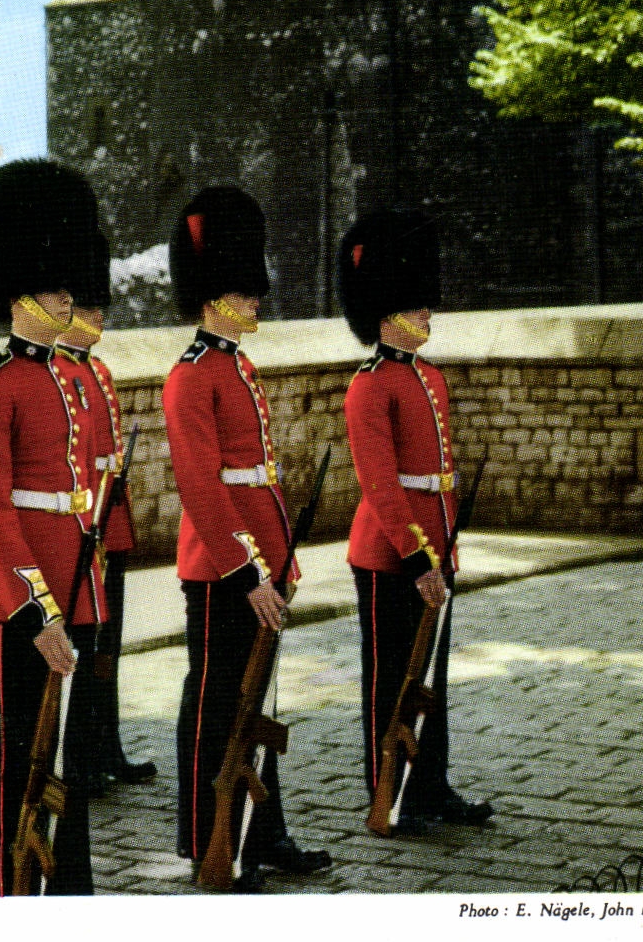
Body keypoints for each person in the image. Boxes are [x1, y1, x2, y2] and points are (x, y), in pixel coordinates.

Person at [165, 186, 330, 889]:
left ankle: (263, 834)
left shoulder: (238, 366)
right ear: (212, 297)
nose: (256, 298)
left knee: (254, 705)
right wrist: (248, 570)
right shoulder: (191, 375)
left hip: (261, 564)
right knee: (216, 707)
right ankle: (212, 837)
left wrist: (279, 560)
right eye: (243, 289)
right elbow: (205, 488)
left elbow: (258, 476)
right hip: (221, 570)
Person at [0, 159, 106, 896]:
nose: (66, 294)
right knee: (20, 753)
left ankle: (66, 886)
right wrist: (37, 609)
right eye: (53, 284)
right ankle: (11, 890)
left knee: (69, 761)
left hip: (75, 589)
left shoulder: (69, 377)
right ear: (18, 289)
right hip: (22, 604)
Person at [338, 208, 492, 834]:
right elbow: (380, 485)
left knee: (431, 679)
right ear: (386, 310)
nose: (428, 312)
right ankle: (388, 790)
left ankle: (430, 784)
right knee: (391, 679)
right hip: (389, 554)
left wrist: (443, 553)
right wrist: (419, 556)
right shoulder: (369, 385)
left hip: (436, 547)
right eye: (417, 304)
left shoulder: (429, 378)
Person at [51, 230, 155, 793]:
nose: (97, 315)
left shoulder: (98, 370)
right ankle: (79, 754)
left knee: (107, 650)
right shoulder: (61, 372)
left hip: (111, 529)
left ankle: (105, 742)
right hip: (83, 531)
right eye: (88, 306)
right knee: (84, 650)